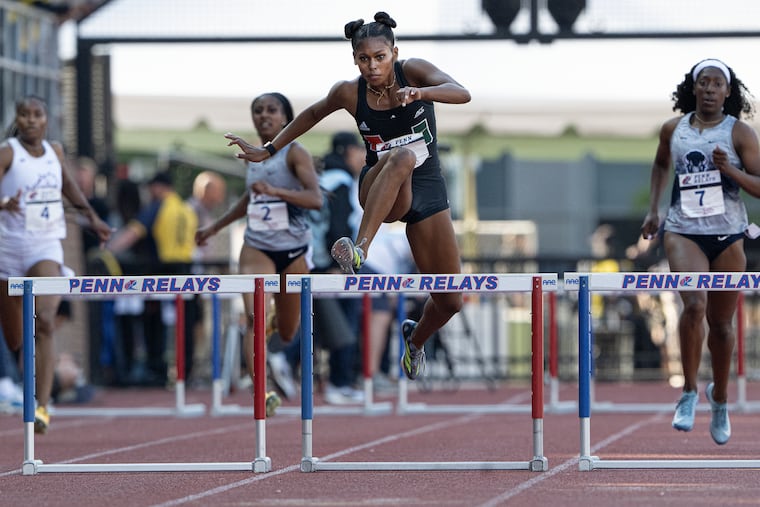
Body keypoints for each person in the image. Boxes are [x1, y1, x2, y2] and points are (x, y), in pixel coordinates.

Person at [224, 12, 470, 382]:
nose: (372, 66)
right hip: (378, 188)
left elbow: (462, 93)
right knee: (400, 156)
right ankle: (359, 248)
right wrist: (270, 148)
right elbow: (311, 114)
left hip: (427, 192)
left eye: (380, 57)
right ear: (355, 59)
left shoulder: (414, 71)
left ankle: (414, 339)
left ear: (394, 53)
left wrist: (422, 93)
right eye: (364, 59)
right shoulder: (348, 92)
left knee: (451, 300)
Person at [640, 58, 760, 445]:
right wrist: (654, 209)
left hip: (727, 234)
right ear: (693, 89)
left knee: (723, 325)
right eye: (703, 83)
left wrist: (733, 172)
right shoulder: (673, 129)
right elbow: (660, 166)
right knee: (693, 305)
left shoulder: (739, 133)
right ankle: (689, 391)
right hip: (683, 230)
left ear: (728, 92)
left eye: (717, 84)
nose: (709, 89)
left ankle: (719, 399)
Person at [197, 92, 322, 415]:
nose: (264, 116)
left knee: (289, 328)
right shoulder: (250, 154)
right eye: (257, 111)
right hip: (257, 245)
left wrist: (277, 191)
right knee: (253, 315)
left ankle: (268, 324)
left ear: (286, 118)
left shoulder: (295, 152)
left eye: (271, 110)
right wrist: (216, 227)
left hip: (293, 248)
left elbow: (315, 199)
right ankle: (262, 392)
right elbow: (249, 200)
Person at [0, 95, 112, 433]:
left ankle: (43, 406)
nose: (32, 120)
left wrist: (92, 218)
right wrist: (6, 202)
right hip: (8, 250)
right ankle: (21, 382)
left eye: (38, 114)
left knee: (46, 320)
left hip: (44, 247)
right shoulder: (7, 153)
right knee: (15, 338)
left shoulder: (55, 152)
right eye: (25, 115)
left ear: (46, 119)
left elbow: (70, 187)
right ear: (17, 119)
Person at [107, 170, 198, 386]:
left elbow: (133, 233)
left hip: (163, 269)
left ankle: (155, 369)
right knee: (185, 323)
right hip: (186, 268)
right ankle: (185, 372)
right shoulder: (185, 208)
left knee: (154, 321)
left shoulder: (159, 206)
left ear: (158, 187)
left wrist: (107, 251)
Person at [308, 131, 366, 404]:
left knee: (314, 325)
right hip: (329, 263)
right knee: (344, 321)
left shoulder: (319, 177)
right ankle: (339, 382)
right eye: (359, 151)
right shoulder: (341, 180)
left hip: (308, 261)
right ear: (347, 152)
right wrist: (338, 262)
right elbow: (338, 227)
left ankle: (282, 363)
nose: (363, 157)